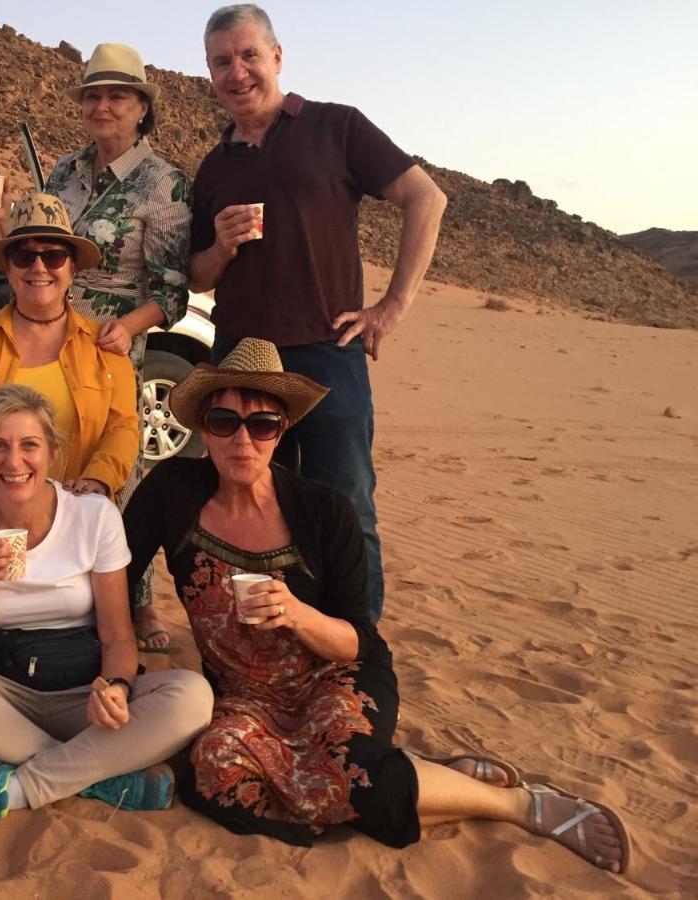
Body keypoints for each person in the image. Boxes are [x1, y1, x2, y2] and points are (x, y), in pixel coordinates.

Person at [122, 339, 630, 872]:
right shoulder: (173, 491)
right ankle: (426, 776)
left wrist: (297, 613)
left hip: (332, 675)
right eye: (225, 421)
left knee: (349, 776)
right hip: (243, 698)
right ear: (203, 427)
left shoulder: (324, 512)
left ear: (284, 429)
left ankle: (518, 804)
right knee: (214, 781)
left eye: (262, 424)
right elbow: (121, 570)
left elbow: (357, 637)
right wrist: (118, 662)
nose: (242, 440)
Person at [189, 5, 449, 623]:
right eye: (222, 62)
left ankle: (358, 647)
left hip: (327, 354)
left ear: (277, 58)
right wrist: (221, 246)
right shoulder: (213, 168)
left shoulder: (336, 128)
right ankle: (272, 644)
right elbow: (197, 275)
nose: (238, 72)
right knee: (254, 508)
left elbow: (426, 199)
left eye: (249, 55)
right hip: (243, 364)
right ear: (209, 74)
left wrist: (391, 307)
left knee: (346, 504)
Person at [0, 385, 213, 819]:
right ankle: (100, 775)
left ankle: (19, 788)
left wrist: (117, 689)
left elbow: (119, 636)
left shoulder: (93, 516)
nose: (14, 462)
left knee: (192, 696)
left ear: (52, 452)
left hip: (83, 696)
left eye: (29, 445)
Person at [0, 43, 192, 651]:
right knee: (36, 463)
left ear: (142, 107)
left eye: (117, 95)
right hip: (39, 333)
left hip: (111, 346)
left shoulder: (165, 184)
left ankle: (135, 602)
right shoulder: (63, 172)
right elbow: (36, 246)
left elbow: (173, 290)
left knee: (114, 476)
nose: (102, 106)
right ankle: (42, 595)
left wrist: (131, 326)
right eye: (93, 95)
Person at [0, 191, 138, 505]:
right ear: (8, 269)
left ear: (72, 269)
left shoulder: (103, 346)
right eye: (24, 257)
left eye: (53, 257)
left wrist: (98, 479)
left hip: (66, 520)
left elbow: (123, 429)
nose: (39, 267)